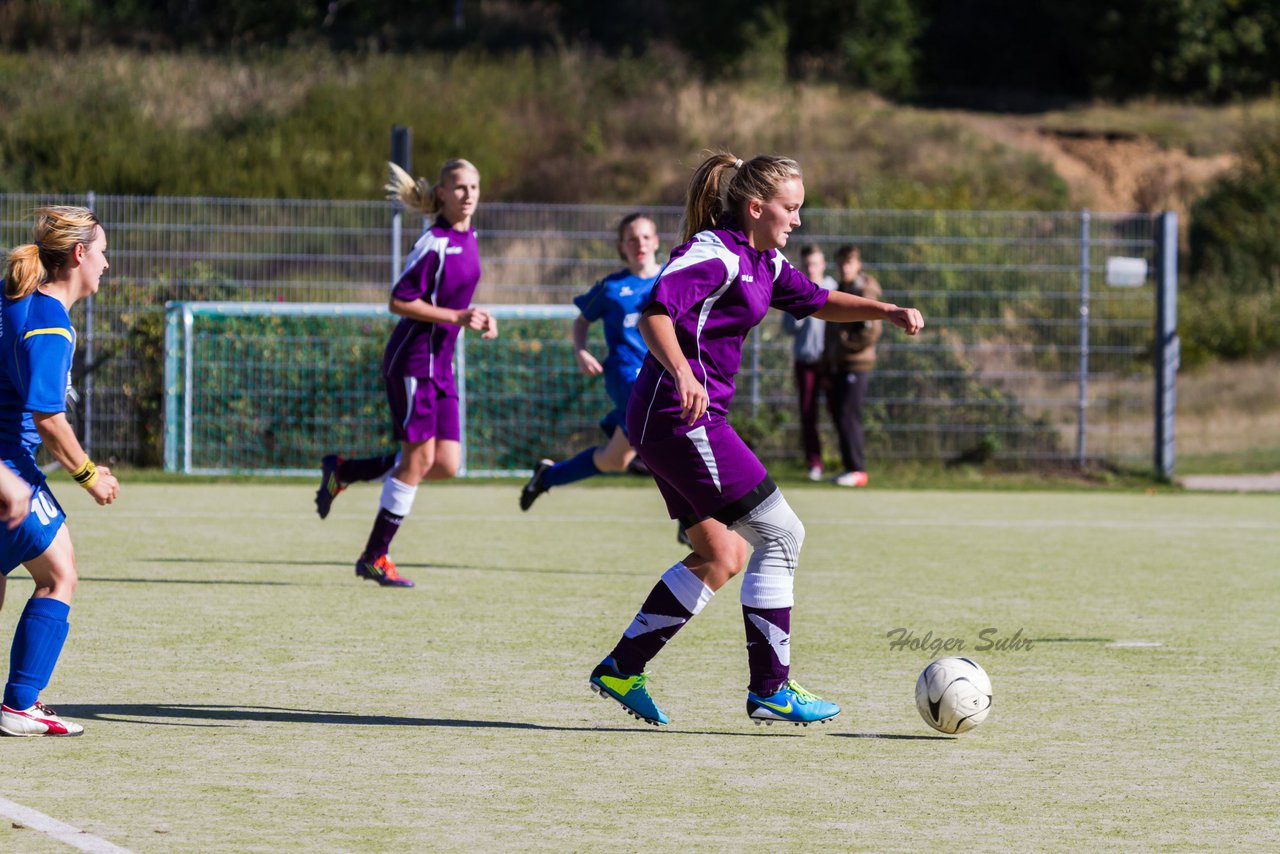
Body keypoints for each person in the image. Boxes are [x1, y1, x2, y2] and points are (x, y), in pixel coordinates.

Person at [587, 153, 923, 727]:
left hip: (678, 418)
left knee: (726, 553)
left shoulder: (763, 260)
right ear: (756, 206)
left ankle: (622, 668)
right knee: (782, 533)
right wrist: (685, 373)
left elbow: (818, 300)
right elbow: (654, 314)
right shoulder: (714, 253)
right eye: (790, 209)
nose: (797, 220)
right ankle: (772, 688)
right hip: (679, 416)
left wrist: (885, 310)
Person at [314, 160, 497, 588]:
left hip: (441, 363)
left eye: (474, 186)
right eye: (459, 187)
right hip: (413, 361)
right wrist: (456, 315)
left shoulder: (469, 237)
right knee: (417, 459)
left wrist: (479, 318)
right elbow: (399, 300)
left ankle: (345, 471)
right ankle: (376, 555)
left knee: (445, 463)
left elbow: (456, 300)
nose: (468, 194)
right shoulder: (433, 242)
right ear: (441, 193)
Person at [0, 206, 121, 737]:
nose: (107, 264)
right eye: (101, 252)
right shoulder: (51, 324)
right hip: (10, 465)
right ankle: (21, 704)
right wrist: (91, 475)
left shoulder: (12, 297)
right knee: (59, 573)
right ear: (78, 255)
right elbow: (48, 418)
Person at [519, 214, 662, 509]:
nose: (640, 244)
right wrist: (581, 351)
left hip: (663, 373)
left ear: (656, 241)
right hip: (626, 375)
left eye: (646, 237)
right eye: (632, 238)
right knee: (662, 428)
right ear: (622, 245)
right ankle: (690, 519)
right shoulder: (611, 288)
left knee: (614, 460)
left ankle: (547, 476)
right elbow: (582, 321)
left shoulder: (671, 279)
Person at [824, 245, 883, 488]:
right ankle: (850, 467)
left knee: (849, 415)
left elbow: (872, 330)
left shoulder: (863, 290)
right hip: (839, 365)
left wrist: (845, 345)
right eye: (840, 263)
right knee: (839, 414)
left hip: (856, 365)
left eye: (848, 263)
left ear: (858, 264)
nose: (844, 267)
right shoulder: (841, 288)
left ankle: (858, 469)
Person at [780, 244, 836, 481]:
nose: (811, 268)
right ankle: (815, 463)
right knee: (808, 414)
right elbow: (787, 327)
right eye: (807, 264)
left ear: (823, 264)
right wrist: (802, 310)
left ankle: (850, 464)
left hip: (831, 364)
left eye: (816, 263)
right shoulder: (798, 289)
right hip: (806, 362)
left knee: (840, 413)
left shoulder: (834, 288)